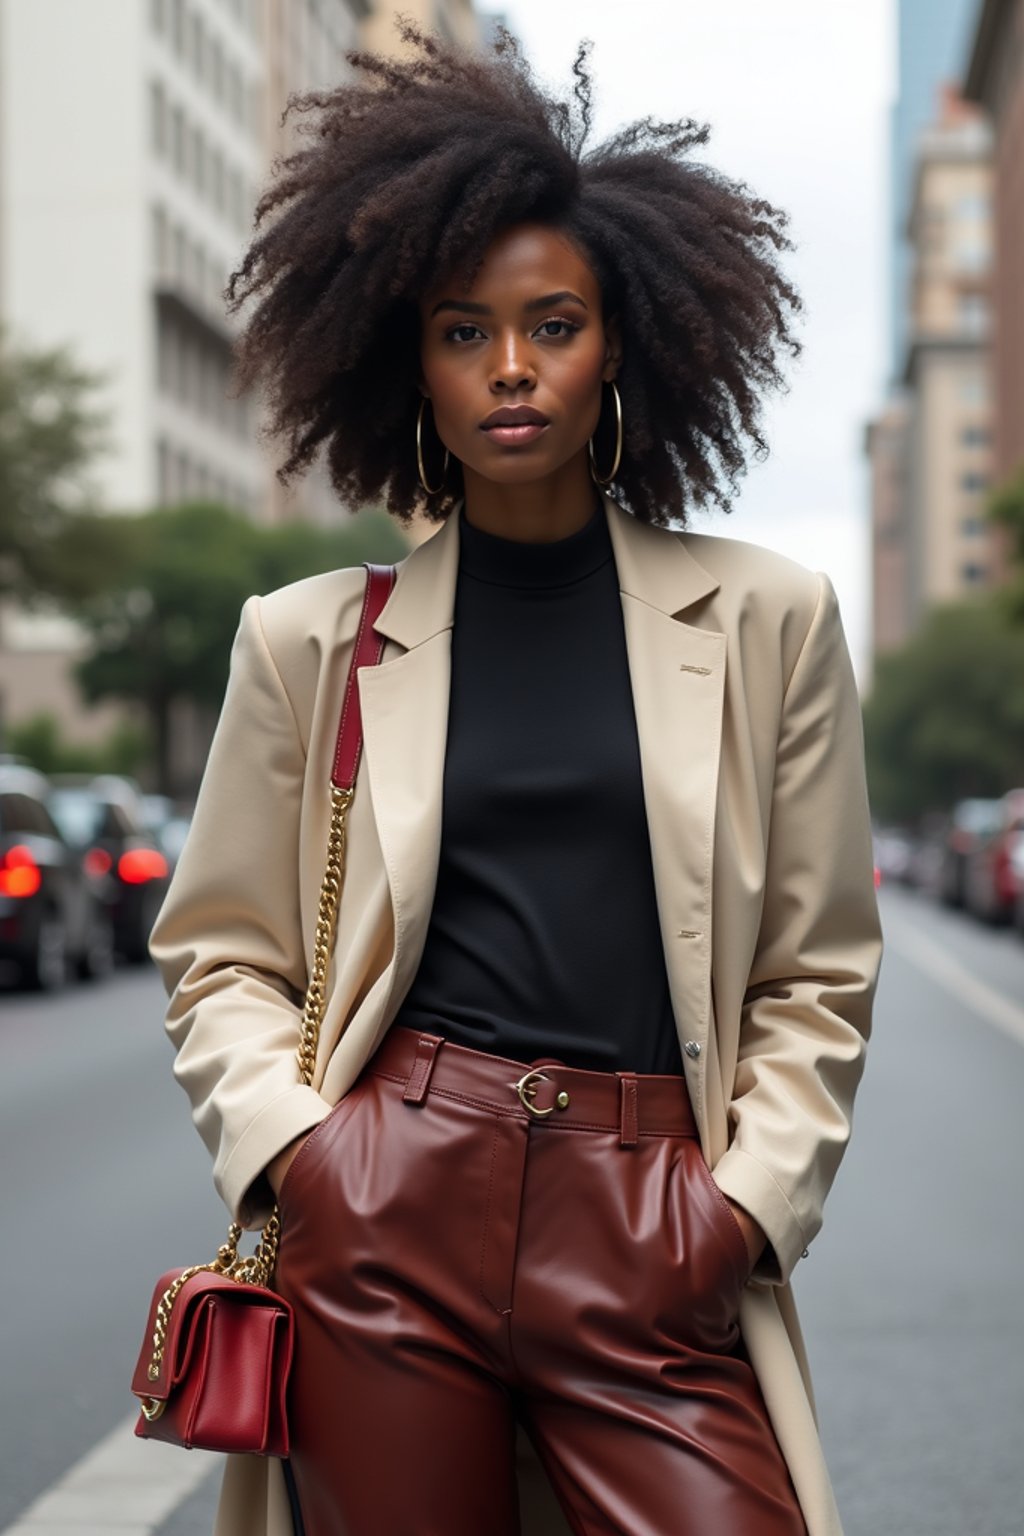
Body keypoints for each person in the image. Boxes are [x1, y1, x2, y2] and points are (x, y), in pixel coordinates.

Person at [149, 23, 882, 1536]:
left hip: (652, 1217)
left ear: (624, 339)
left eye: (552, 324)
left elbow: (817, 971)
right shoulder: (311, 642)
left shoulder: (766, 621)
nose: (510, 372)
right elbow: (220, 952)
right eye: (462, 331)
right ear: (404, 358)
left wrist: (739, 1208)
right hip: (389, 1208)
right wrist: (311, 1153)